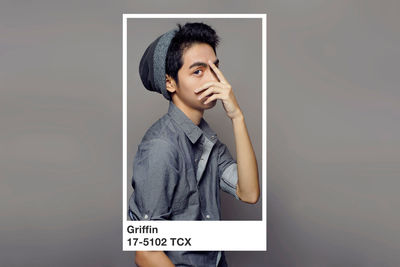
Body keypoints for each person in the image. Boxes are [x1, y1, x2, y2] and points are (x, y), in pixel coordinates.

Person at [129, 22, 260, 267]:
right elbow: (146, 253)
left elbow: (249, 192)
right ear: (170, 83)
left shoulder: (206, 140)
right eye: (198, 71)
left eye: (215, 68)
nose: (212, 79)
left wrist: (237, 116)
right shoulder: (161, 147)